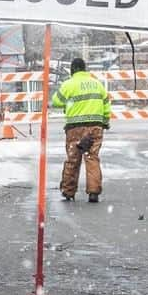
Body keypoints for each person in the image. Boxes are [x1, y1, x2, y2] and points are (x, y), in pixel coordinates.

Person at [51, 56, 111, 202]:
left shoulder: (69, 84)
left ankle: (68, 191)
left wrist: (69, 103)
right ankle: (94, 192)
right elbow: (106, 104)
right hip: (95, 127)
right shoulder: (97, 84)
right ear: (85, 69)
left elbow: (55, 101)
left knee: (73, 158)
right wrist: (105, 121)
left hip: (75, 128)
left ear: (72, 70)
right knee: (92, 158)